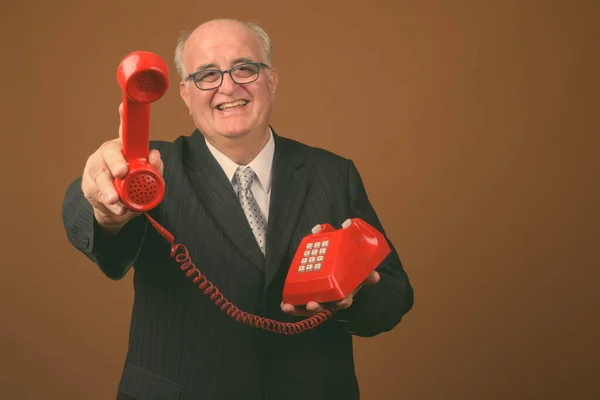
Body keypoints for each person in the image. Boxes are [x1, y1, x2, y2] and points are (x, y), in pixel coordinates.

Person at [62, 18, 414, 400]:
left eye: (245, 68)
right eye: (207, 75)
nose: (228, 86)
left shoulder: (333, 172)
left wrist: (353, 294)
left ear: (272, 80)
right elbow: (86, 217)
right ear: (185, 93)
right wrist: (106, 207)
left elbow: (394, 295)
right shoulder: (150, 171)